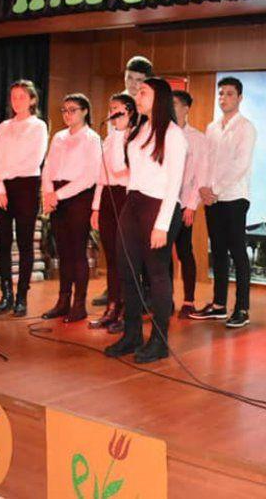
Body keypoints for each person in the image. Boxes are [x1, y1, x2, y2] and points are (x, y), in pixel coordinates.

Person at [104, 77, 187, 363]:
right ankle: (132, 335)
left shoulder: (173, 134)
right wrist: (119, 131)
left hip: (159, 205)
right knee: (127, 270)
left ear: (159, 98)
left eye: (143, 93)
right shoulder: (140, 129)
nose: (136, 97)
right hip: (134, 202)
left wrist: (162, 224)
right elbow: (118, 167)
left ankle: (159, 342)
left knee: (156, 274)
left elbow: (174, 183)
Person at [189, 77, 257, 328]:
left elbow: (240, 165)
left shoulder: (246, 128)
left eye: (229, 93)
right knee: (217, 251)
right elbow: (206, 162)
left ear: (240, 98)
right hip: (213, 199)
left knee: (237, 252)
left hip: (235, 197)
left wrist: (215, 189)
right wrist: (204, 190)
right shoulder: (212, 127)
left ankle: (242, 308)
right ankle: (219, 305)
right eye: (220, 93)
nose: (223, 98)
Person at [93, 54, 154, 308]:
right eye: (130, 78)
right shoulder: (118, 104)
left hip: (136, 185)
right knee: (114, 244)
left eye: (139, 80)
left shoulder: (147, 108)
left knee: (137, 246)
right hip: (113, 184)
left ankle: (143, 292)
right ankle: (115, 290)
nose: (133, 84)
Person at [0, 80, 48, 317]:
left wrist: (1, 175)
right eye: (13, 97)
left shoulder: (39, 126)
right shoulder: (3, 126)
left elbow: (32, 161)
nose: (17, 101)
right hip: (1, 188)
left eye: (22, 96)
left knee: (24, 243)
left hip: (26, 186)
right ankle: (6, 294)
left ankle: (22, 296)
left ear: (32, 100)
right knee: (2, 242)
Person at [41, 93, 101, 323]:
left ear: (85, 111)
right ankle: (63, 301)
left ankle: (79, 304)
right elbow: (48, 167)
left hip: (79, 197)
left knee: (77, 252)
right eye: (64, 110)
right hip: (57, 196)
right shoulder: (58, 137)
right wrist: (48, 193)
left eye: (72, 110)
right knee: (63, 251)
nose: (67, 114)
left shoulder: (92, 138)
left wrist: (57, 195)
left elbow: (89, 176)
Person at [88, 93, 138, 331]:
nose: (112, 113)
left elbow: (124, 169)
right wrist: (96, 207)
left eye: (117, 109)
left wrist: (120, 133)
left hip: (126, 196)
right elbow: (102, 174)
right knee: (111, 256)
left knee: (126, 256)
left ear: (129, 111)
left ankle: (128, 311)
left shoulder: (135, 136)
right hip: (108, 196)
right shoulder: (109, 138)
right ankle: (112, 307)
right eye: (111, 109)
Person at [172, 90, 209, 318]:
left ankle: (188, 301)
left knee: (184, 251)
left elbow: (201, 175)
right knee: (161, 254)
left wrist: (192, 205)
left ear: (186, 108)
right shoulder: (162, 134)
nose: (171, 107)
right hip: (161, 202)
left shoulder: (197, 138)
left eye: (175, 104)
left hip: (184, 203)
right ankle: (164, 300)